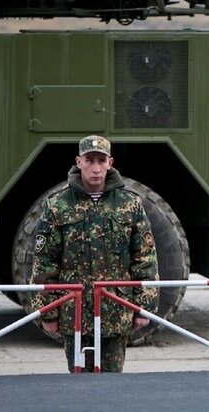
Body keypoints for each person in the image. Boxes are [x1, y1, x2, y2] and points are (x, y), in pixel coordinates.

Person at [30, 135, 159, 373]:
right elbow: (45, 263)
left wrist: (145, 306)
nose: (96, 168)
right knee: (79, 383)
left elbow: (145, 257)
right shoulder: (57, 206)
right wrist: (48, 312)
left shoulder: (130, 204)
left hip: (115, 309)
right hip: (74, 311)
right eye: (90, 160)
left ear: (110, 162)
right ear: (78, 162)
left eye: (101, 160)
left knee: (111, 384)